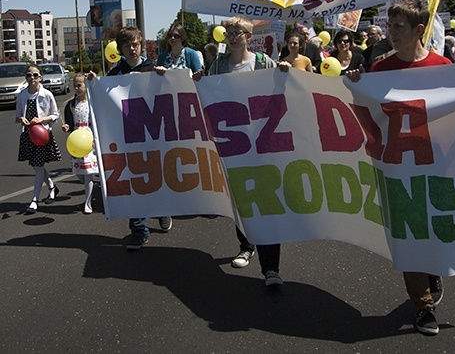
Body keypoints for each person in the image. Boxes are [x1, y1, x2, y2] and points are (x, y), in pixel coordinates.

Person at [347, 0, 455, 336]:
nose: (391, 33)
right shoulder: (380, 69)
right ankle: (423, 306)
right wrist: (355, 83)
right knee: (410, 231)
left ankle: (432, 276)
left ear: (420, 30)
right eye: (389, 26)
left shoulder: (443, 65)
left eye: (399, 27)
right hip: (398, 165)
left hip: (440, 161)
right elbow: (367, 110)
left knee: (434, 225)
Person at [194, 15, 290, 287]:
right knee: (241, 199)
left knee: (266, 201)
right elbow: (205, 98)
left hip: (261, 143)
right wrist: (199, 80)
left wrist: (283, 72)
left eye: (239, 32)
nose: (234, 36)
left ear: (249, 37)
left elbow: (281, 92)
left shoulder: (264, 63)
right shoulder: (217, 66)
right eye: (230, 32)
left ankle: (271, 268)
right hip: (233, 146)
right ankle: (246, 245)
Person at [88, 26, 173, 250]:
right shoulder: (115, 74)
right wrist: (95, 83)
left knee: (158, 174)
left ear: (141, 44)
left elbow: (170, 93)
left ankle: (163, 211)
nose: (133, 49)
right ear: (121, 49)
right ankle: (138, 230)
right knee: (135, 180)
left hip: (154, 132)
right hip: (128, 135)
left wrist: (164, 78)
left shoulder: (153, 68)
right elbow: (105, 101)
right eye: (128, 46)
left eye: (136, 44)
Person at [16, 64, 62, 214]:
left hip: (42, 135)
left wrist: (41, 119)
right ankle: (52, 187)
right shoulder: (22, 95)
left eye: (35, 75)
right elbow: (18, 116)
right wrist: (21, 119)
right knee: (38, 167)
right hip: (28, 135)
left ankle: (34, 200)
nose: (32, 78)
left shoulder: (47, 94)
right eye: (29, 75)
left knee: (38, 166)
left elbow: (55, 115)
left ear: (40, 77)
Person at [62, 73, 99, 214]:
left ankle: (88, 202)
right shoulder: (71, 104)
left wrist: (95, 138)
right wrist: (67, 127)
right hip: (76, 138)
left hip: (88, 138)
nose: (77, 88)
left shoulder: (92, 102)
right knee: (79, 172)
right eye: (75, 85)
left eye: (80, 85)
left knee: (88, 172)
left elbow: (96, 121)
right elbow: (69, 122)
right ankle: (91, 187)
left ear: (85, 85)